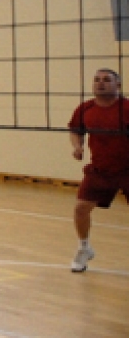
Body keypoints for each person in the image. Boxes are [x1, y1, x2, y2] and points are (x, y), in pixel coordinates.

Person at [68, 68, 129, 273]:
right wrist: (77, 146)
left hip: (127, 170)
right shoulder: (85, 108)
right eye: (97, 80)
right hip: (100, 170)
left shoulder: (126, 108)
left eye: (106, 79)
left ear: (117, 85)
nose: (100, 83)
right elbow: (75, 130)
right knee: (80, 209)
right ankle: (84, 248)